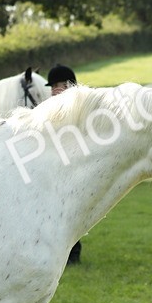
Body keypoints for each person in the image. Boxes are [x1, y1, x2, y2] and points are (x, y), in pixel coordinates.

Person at [48, 63, 84, 263]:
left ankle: (74, 252)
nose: (54, 90)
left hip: (73, 167)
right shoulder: (47, 109)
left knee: (71, 212)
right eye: (53, 86)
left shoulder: (79, 110)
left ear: (70, 86)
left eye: (58, 85)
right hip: (52, 168)